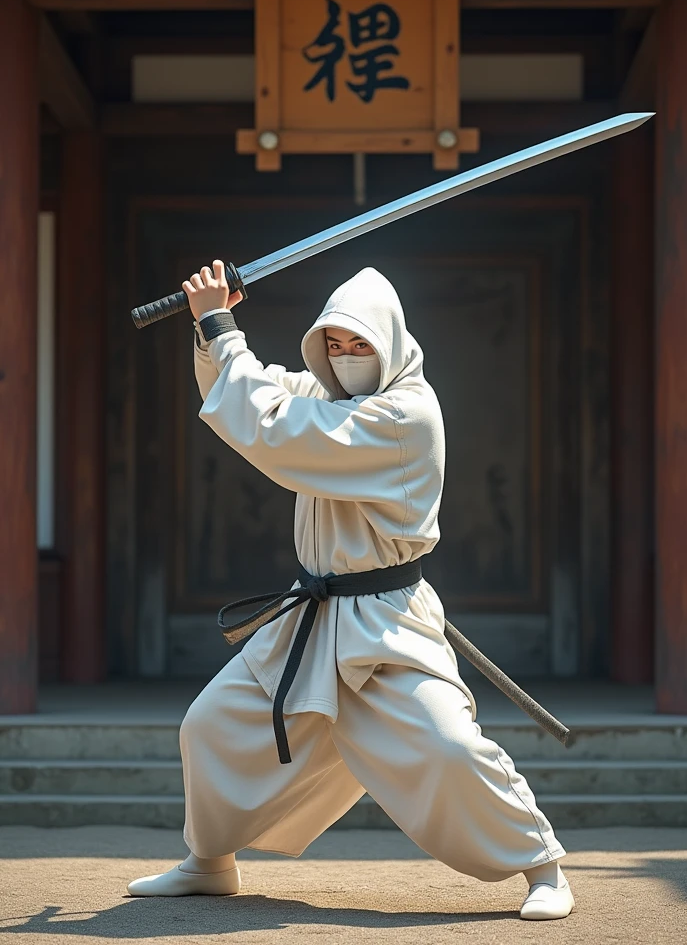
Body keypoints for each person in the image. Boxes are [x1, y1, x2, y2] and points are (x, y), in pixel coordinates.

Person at [127, 263, 574, 921]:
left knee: (448, 747)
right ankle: (210, 863)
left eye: (359, 345)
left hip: (386, 623)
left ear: (390, 343)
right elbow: (250, 393)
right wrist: (211, 327)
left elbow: (275, 428)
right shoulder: (326, 397)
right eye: (333, 345)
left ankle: (545, 865)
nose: (345, 358)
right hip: (312, 615)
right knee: (212, 727)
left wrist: (222, 325)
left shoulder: (406, 415)